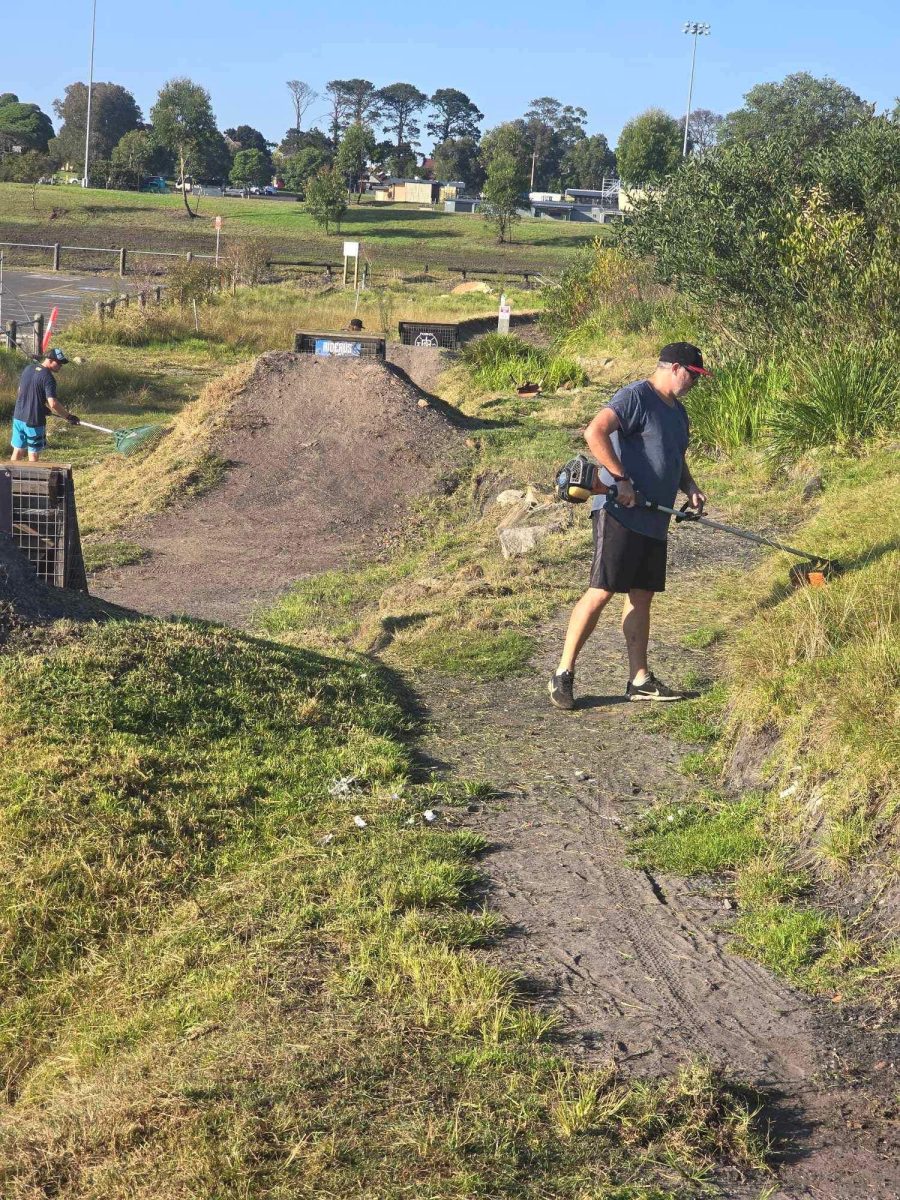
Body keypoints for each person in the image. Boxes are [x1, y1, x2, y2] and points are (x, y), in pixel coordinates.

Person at [548, 343, 710, 709]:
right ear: (674, 368)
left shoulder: (679, 414)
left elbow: (675, 457)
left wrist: (690, 487)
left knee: (641, 596)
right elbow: (595, 432)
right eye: (693, 376)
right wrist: (621, 479)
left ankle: (639, 679)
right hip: (619, 513)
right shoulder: (636, 396)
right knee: (602, 590)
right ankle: (563, 673)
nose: (695, 384)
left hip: (656, 517)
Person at [10, 349, 79, 462]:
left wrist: (40, 406)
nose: (61, 366)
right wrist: (69, 417)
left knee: (17, 450)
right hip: (34, 421)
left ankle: (8, 479)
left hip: (18, 417)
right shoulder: (48, 378)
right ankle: (31, 478)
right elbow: (53, 403)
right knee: (33, 454)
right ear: (50, 360)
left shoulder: (28, 369)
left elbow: (20, 391)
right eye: (59, 363)